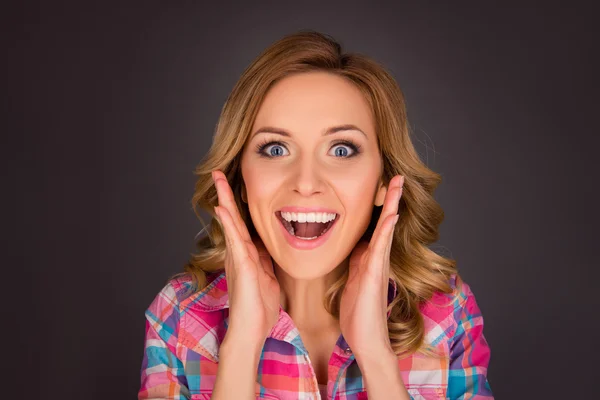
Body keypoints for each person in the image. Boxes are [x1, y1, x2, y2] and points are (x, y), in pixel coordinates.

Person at [137, 30, 494, 400]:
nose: (306, 183)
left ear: (384, 182)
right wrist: (240, 348)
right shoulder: (179, 317)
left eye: (341, 150)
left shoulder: (447, 315)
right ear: (240, 179)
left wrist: (376, 356)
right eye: (275, 149)